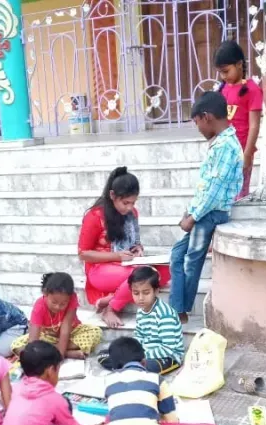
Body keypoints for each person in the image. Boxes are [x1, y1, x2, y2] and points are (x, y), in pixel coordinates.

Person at [172, 91, 242, 323]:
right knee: (177, 254)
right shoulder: (220, 144)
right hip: (202, 211)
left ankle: (181, 310)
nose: (198, 128)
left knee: (191, 260)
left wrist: (193, 217)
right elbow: (205, 186)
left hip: (211, 213)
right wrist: (190, 211)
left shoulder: (226, 146)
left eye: (197, 123)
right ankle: (178, 306)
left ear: (206, 117)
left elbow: (214, 191)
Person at [77, 167, 171, 328]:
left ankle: (111, 297)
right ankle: (111, 308)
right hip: (100, 269)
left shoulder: (132, 213)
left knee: (167, 270)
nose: (129, 207)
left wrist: (138, 249)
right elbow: (83, 253)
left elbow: (135, 242)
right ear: (113, 195)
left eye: (133, 202)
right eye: (125, 202)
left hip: (127, 263)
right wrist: (117, 256)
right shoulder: (95, 216)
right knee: (142, 276)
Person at [103, 337, 219, 425]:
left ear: (114, 366)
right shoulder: (156, 379)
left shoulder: (108, 381)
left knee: (112, 417)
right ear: (144, 362)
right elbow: (172, 421)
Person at [0, 341, 106, 425]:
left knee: (58, 411)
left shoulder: (17, 388)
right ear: (50, 371)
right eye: (58, 370)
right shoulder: (53, 399)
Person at [9, 273, 102, 360]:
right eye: (54, 302)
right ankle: (67, 353)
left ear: (70, 298)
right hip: (47, 337)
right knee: (16, 345)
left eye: (63, 304)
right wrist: (33, 351)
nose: (58, 307)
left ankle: (51, 351)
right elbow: (33, 340)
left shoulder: (72, 299)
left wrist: (60, 355)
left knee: (96, 332)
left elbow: (66, 328)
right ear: (45, 293)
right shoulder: (39, 306)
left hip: (71, 333)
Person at [215, 40, 262, 201]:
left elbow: (254, 125)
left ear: (240, 64)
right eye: (220, 73)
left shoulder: (252, 90)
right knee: (223, 194)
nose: (223, 76)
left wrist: (247, 154)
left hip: (242, 151)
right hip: (224, 151)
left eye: (226, 71)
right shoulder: (223, 89)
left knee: (239, 196)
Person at [129, 266, 184, 374]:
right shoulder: (141, 311)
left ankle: (132, 367)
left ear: (156, 291)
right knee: (108, 355)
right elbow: (139, 335)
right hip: (146, 352)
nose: (141, 298)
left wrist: (143, 356)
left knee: (143, 367)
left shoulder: (165, 315)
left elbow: (168, 348)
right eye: (136, 293)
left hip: (169, 357)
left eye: (146, 293)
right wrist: (132, 350)